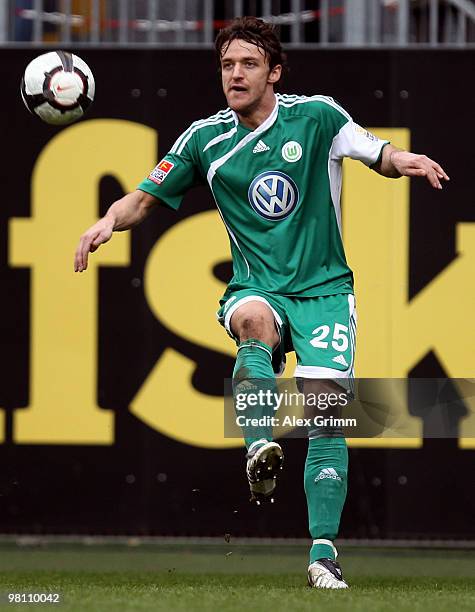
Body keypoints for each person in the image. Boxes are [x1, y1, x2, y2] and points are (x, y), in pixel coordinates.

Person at [74, 16, 449, 589]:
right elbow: (145, 199)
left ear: (274, 72)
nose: (236, 74)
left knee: (327, 416)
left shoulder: (318, 116)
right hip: (258, 287)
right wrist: (106, 221)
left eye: (249, 64)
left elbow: (376, 151)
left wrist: (408, 161)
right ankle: (259, 449)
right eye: (227, 64)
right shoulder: (205, 140)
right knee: (251, 322)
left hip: (325, 290)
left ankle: (322, 554)